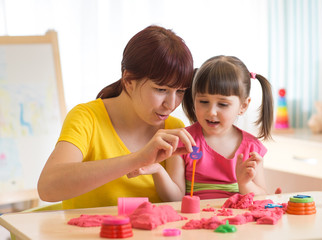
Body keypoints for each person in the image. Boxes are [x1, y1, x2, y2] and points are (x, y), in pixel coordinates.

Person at [37, 25, 196, 209]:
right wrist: (138, 159)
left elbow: (177, 203)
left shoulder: (173, 127)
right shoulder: (87, 118)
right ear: (129, 81)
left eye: (180, 91)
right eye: (161, 89)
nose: (171, 104)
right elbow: (48, 188)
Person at [156, 55, 274, 201]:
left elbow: (262, 197)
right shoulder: (183, 141)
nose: (211, 112)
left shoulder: (251, 148)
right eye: (204, 101)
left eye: (223, 104)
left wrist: (245, 184)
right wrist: (157, 170)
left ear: (243, 106)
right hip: (195, 221)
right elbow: (175, 199)